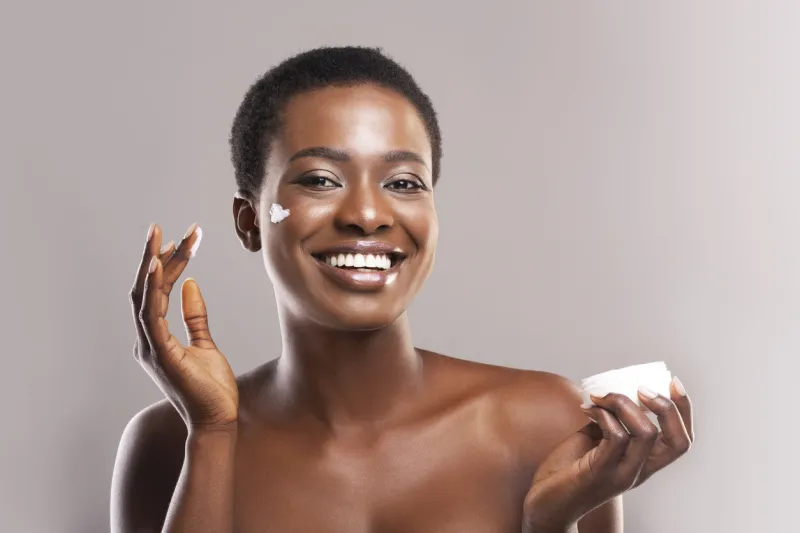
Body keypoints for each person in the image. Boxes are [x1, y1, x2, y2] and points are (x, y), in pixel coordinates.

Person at [110, 46, 694, 533]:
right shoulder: (167, 441)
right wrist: (211, 437)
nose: (367, 213)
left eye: (403, 182)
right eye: (320, 179)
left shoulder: (550, 423)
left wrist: (550, 526)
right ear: (249, 221)